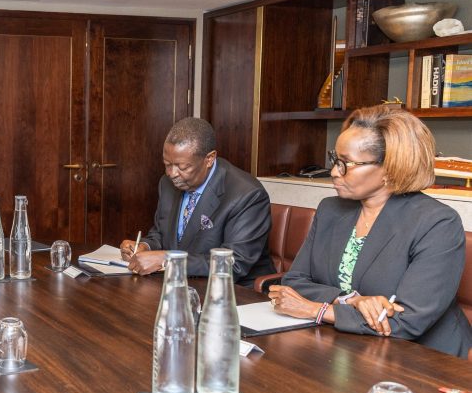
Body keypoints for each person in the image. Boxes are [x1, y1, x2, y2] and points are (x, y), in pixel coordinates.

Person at [269, 105, 472, 358]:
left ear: (389, 169)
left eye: (346, 164)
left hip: (424, 360)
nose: (334, 172)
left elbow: (406, 322)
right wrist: (351, 300)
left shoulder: (436, 222)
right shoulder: (331, 209)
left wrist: (317, 310)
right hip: (349, 349)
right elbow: (295, 281)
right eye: (335, 160)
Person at [120, 117, 275, 286]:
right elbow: (162, 234)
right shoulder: (167, 184)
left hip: (236, 293)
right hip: (181, 284)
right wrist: (144, 247)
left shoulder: (246, 195)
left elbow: (234, 264)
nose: (172, 173)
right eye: (167, 164)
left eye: (183, 167)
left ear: (209, 159)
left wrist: (167, 259)